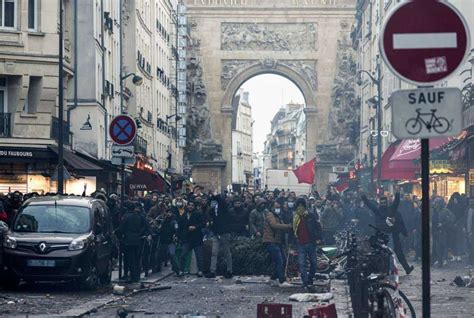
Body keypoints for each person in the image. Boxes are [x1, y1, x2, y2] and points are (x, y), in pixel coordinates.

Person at [362, 189, 414, 274]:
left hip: (383, 234)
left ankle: (390, 269)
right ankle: (396, 269)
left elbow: (369, 205)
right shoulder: (390, 210)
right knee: (394, 252)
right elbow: (396, 203)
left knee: (385, 252)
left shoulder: (378, 210)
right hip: (391, 234)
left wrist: (363, 197)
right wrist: (397, 193)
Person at [292, 197, 323, 290]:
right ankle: (305, 282)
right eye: (299, 206)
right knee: (302, 264)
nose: (300, 208)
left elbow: (318, 227)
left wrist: (319, 238)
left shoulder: (311, 216)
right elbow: (292, 231)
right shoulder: (295, 218)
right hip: (300, 243)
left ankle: (310, 279)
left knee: (314, 263)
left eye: (302, 206)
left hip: (311, 243)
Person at [116, 205, 150, 283]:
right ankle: (136, 276)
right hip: (137, 239)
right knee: (136, 258)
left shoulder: (126, 216)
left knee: (130, 259)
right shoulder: (137, 216)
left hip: (128, 240)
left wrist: (117, 233)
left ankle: (133, 277)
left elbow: (122, 228)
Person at [262, 200, 293, 287]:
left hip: (276, 241)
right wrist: (288, 226)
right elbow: (274, 225)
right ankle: (281, 281)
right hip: (271, 241)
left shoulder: (278, 216)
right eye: (276, 207)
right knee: (280, 261)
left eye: (279, 206)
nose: (278, 208)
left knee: (282, 261)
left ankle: (272, 279)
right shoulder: (270, 215)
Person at [206, 193, 233, 278]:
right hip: (216, 233)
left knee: (226, 252)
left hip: (224, 233)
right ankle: (212, 271)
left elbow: (222, 203)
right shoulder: (213, 211)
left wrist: (216, 196)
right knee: (214, 252)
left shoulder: (223, 208)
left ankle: (229, 270)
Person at [177, 201, 204, 277]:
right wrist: (178, 236)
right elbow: (180, 227)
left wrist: (195, 227)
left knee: (199, 256)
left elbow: (202, 223)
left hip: (197, 239)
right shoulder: (184, 215)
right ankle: (181, 270)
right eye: (189, 205)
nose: (190, 207)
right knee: (183, 255)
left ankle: (200, 271)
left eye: (192, 205)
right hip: (187, 239)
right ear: (187, 206)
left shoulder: (198, 214)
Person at [431, 197, 455, 267]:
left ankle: (444, 260)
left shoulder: (445, 211)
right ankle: (439, 260)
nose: (435, 204)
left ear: (440, 203)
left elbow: (452, 218)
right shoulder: (434, 211)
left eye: (436, 203)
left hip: (443, 231)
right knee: (437, 246)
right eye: (434, 202)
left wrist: (443, 224)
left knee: (444, 246)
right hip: (435, 231)